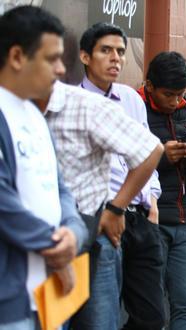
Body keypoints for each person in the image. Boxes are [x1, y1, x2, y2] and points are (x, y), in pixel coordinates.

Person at [73, 22, 166, 329]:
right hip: (101, 220)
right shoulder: (72, 104)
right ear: (85, 57)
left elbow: (146, 149)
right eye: (106, 50)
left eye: (121, 52)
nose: (116, 58)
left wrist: (151, 197)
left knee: (152, 317)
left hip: (140, 216)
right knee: (101, 318)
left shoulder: (130, 98)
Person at [0, 6, 88, 328]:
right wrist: (57, 246)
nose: (62, 69)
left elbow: (60, 188)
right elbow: (4, 204)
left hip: (49, 294)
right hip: (11, 302)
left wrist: (74, 234)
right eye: (51, 59)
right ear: (17, 57)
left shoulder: (35, 115)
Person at [140, 51, 186, 329]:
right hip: (151, 220)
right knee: (151, 309)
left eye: (180, 95)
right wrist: (161, 158)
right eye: (168, 95)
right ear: (150, 86)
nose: (175, 102)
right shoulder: (134, 107)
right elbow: (121, 164)